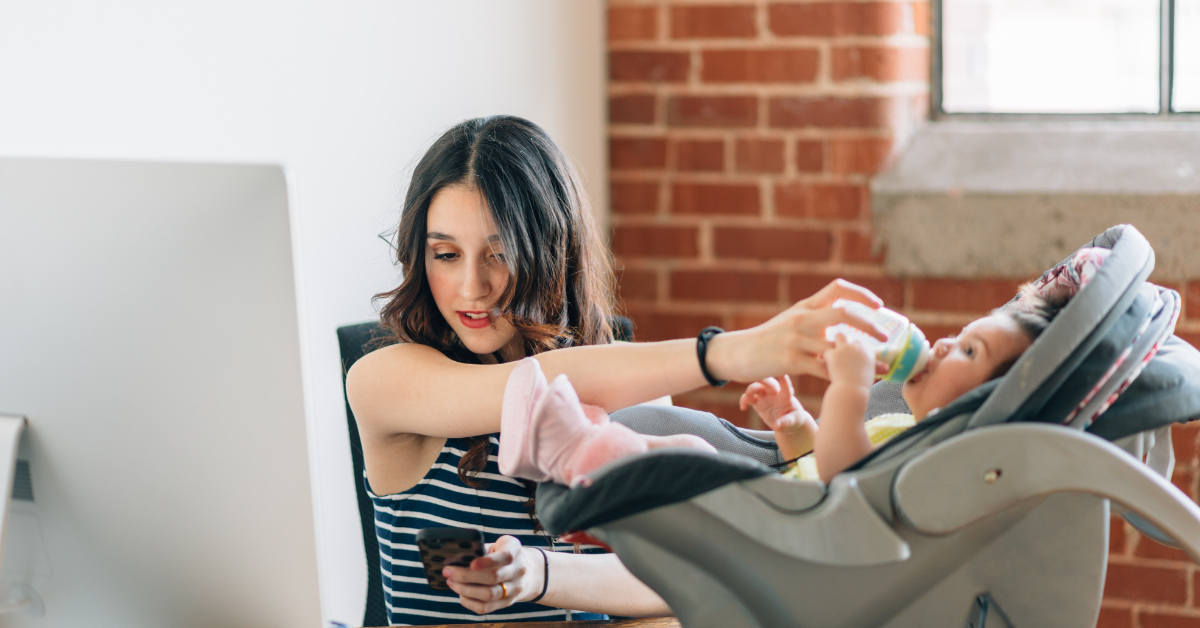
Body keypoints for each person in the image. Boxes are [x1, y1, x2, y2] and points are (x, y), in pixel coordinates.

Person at [345, 115, 890, 625]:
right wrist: (730, 353)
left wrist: (537, 573)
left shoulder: (624, 385)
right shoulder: (384, 381)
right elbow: (530, 391)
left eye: (500, 253)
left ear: (552, 250)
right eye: (446, 255)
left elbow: (677, 574)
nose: (472, 287)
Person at [499, 286, 1068, 488]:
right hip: (791, 505)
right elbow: (818, 464)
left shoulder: (934, 460)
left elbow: (847, 477)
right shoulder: (904, 425)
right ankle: (581, 442)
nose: (944, 344)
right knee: (681, 448)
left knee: (692, 457)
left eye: (969, 352)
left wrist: (847, 383)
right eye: (960, 335)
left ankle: (574, 449)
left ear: (991, 403)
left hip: (788, 537)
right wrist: (793, 424)